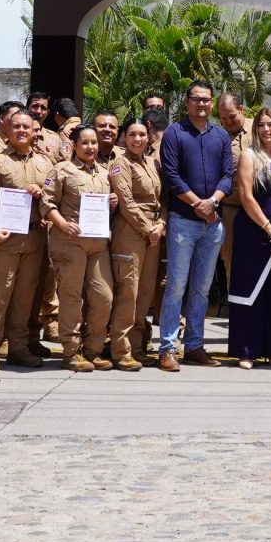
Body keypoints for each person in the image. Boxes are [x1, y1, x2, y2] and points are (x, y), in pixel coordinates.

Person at [156, 82, 235, 370]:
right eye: (196, 99)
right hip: (183, 222)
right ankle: (166, 348)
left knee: (201, 289)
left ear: (212, 103)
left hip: (212, 223)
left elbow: (228, 175)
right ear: (187, 102)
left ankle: (194, 346)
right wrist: (198, 205)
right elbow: (172, 176)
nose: (201, 104)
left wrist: (212, 202)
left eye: (206, 100)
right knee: (176, 286)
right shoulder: (175, 133)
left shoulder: (221, 136)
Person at [0, 111, 51, 372]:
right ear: (7, 129)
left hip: (34, 237)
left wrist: (41, 195)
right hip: (4, 238)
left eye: (26, 127)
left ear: (33, 131)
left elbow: (53, 199)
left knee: (24, 297)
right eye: (16, 126)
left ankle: (18, 348)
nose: (21, 131)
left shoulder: (44, 163)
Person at [43, 122, 116, 371]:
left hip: (98, 244)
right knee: (71, 298)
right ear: (74, 145)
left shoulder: (105, 173)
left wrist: (113, 203)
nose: (90, 147)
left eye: (94, 142)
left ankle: (93, 349)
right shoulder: (61, 170)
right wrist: (62, 224)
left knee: (103, 297)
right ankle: (71, 351)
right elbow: (47, 203)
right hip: (69, 241)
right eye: (84, 142)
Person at [227, 108, 271, 367]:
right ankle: (247, 350)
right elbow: (245, 196)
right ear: (255, 129)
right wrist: (269, 228)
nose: (266, 129)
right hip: (253, 231)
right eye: (261, 125)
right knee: (249, 289)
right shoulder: (249, 155)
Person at [107, 117, 165, 371]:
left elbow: (164, 199)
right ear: (124, 137)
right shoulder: (120, 164)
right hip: (130, 232)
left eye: (142, 134)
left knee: (144, 293)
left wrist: (161, 224)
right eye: (132, 134)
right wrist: (148, 229)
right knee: (128, 292)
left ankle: (138, 347)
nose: (138, 139)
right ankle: (120, 349)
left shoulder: (152, 163)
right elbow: (126, 202)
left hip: (153, 231)